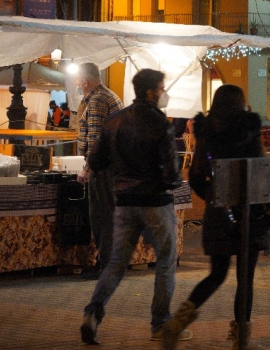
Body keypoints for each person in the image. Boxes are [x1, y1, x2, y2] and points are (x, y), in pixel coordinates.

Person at [80, 69, 186, 345]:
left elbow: (96, 160)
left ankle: (93, 312)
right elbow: (171, 170)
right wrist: (172, 182)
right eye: (161, 88)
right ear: (151, 92)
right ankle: (160, 323)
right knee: (165, 262)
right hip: (156, 201)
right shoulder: (160, 122)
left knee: (116, 262)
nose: (163, 93)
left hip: (124, 201)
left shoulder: (114, 121)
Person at [163, 84, 270, 350]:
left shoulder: (206, 131)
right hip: (249, 211)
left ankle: (177, 322)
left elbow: (195, 176)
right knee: (245, 279)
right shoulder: (249, 129)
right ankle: (241, 339)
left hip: (219, 213)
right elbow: (259, 171)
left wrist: (214, 197)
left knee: (217, 274)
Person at [75, 62, 125, 280]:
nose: (77, 84)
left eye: (78, 80)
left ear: (85, 81)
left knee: (102, 217)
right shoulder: (107, 96)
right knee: (108, 216)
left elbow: (96, 139)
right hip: (111, 166)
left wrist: (87, 169)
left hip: (103, 168)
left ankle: (106, 265)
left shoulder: (97, 101)